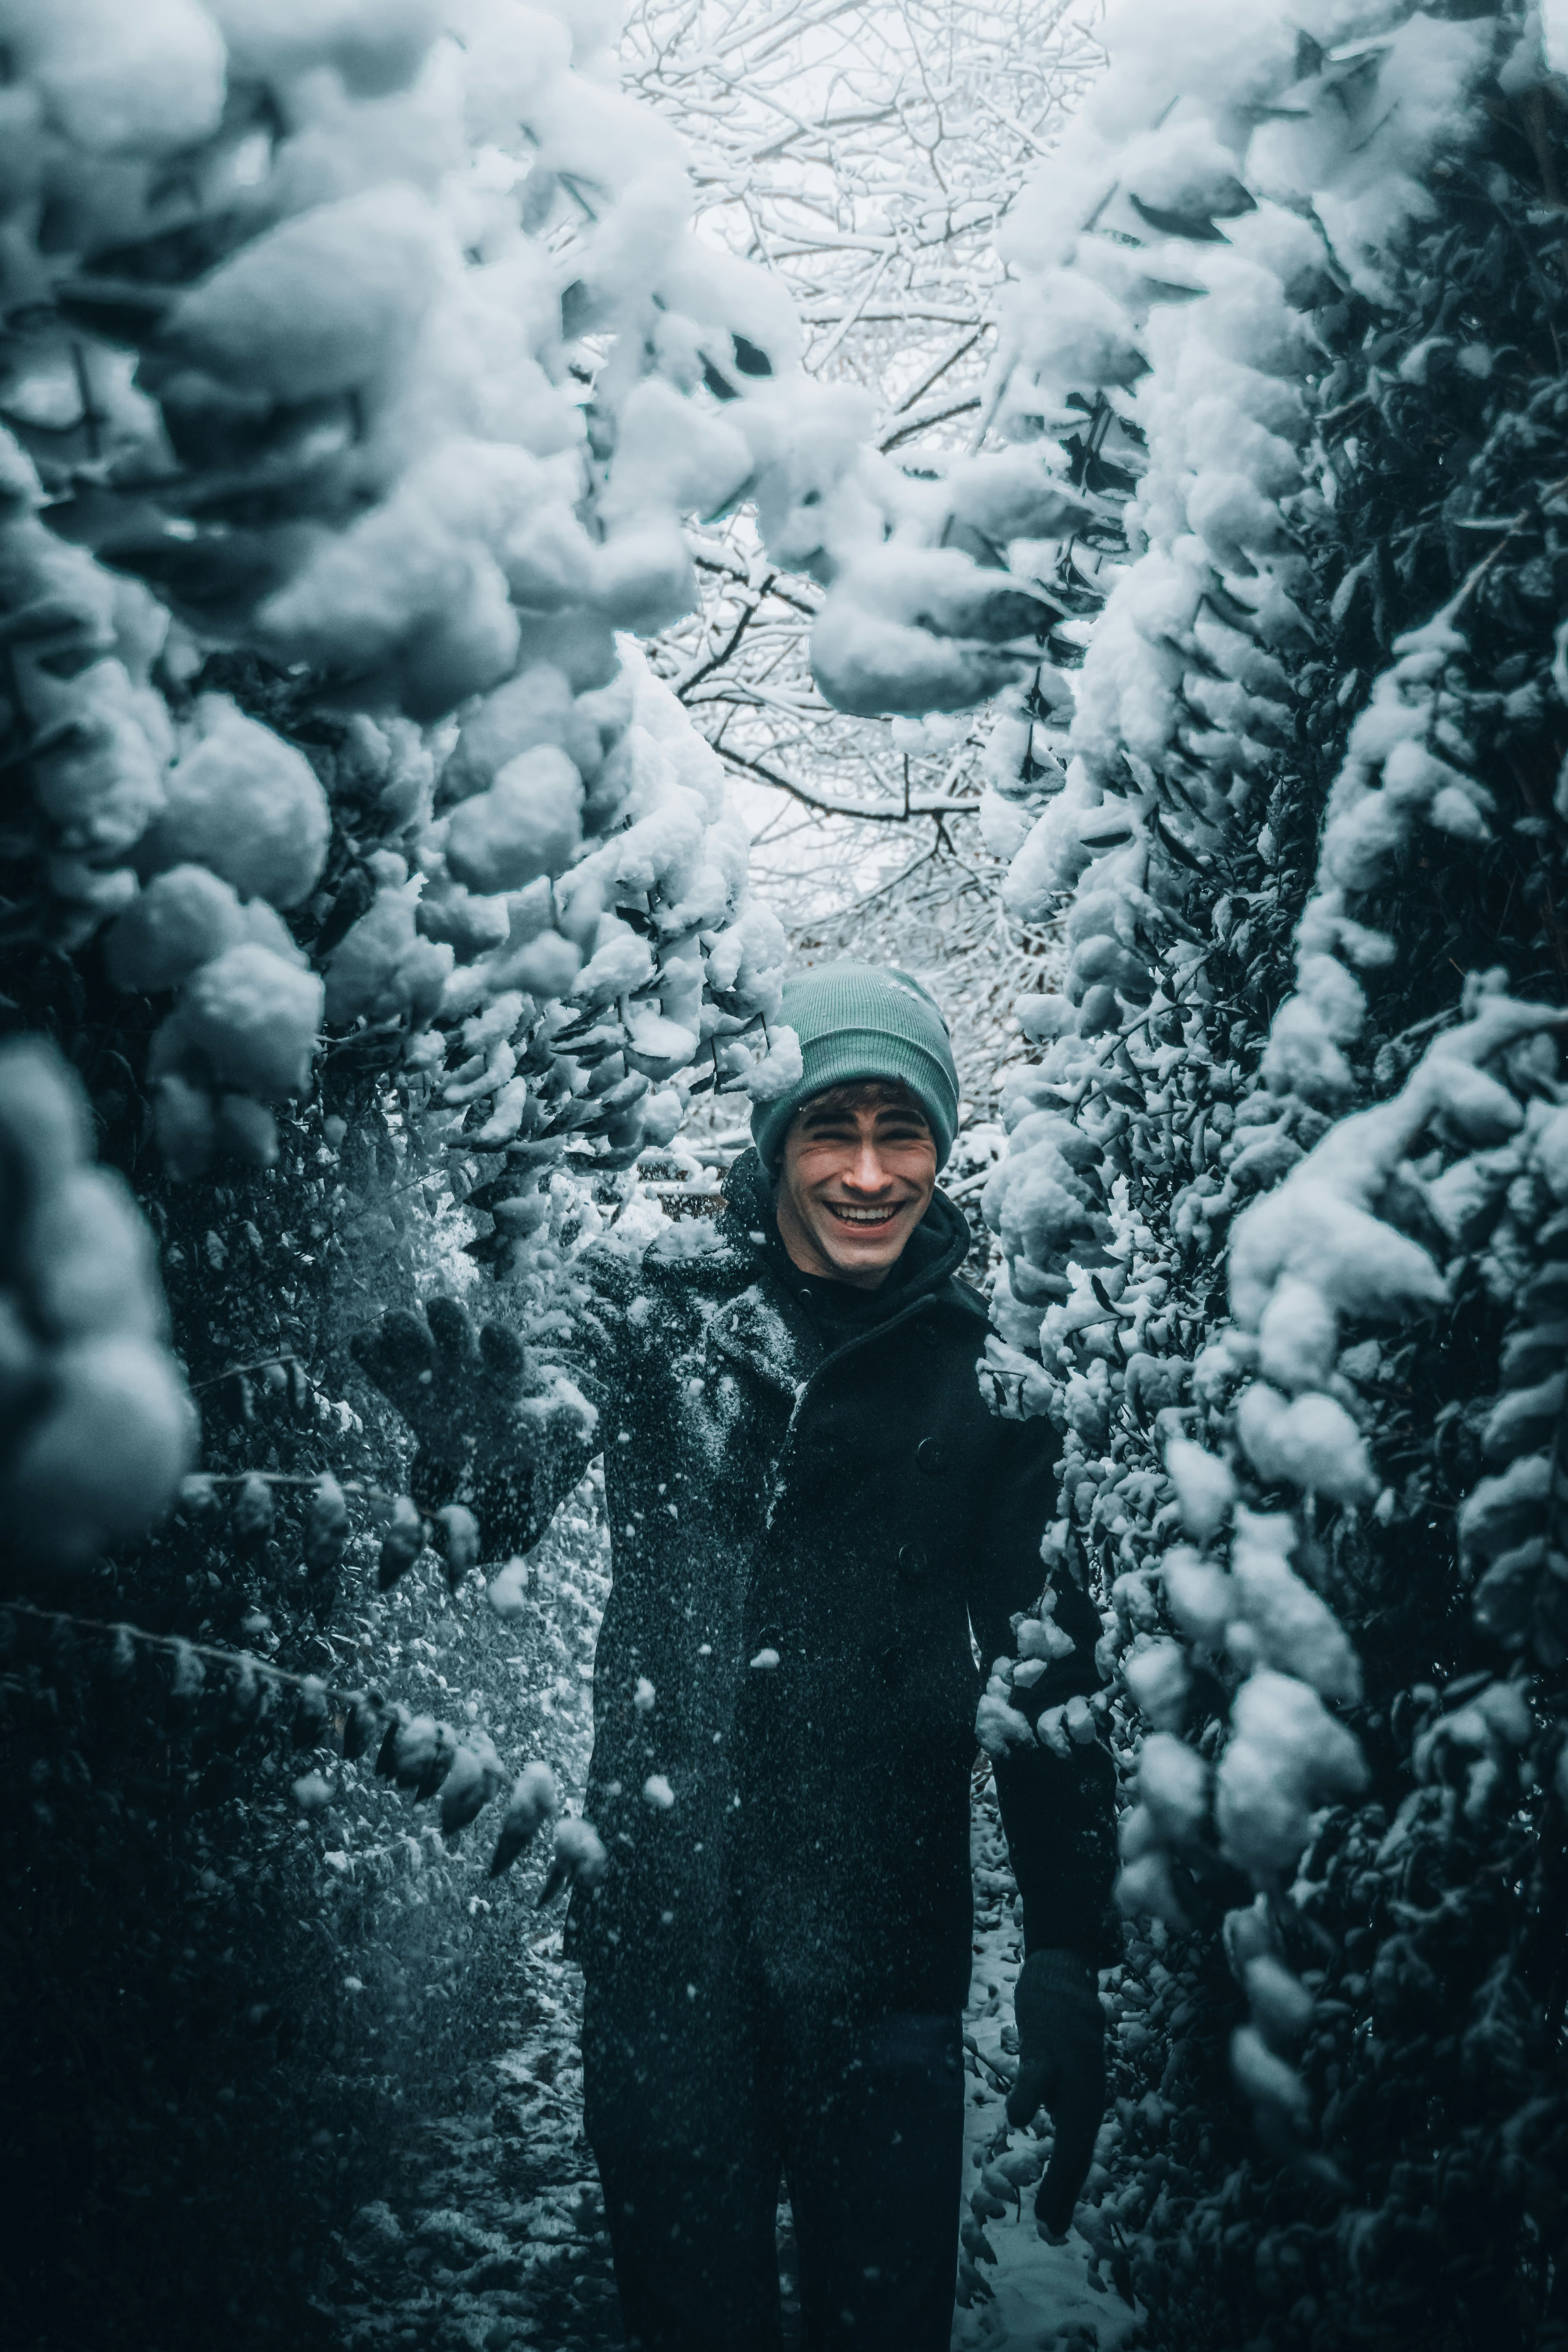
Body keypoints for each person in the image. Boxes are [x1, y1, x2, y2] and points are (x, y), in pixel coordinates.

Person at [352, 961, 1116, 2352]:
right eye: (833, 1129)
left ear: (942, 1149)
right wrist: (481, 1450)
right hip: (667, 1938)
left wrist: (1067, 1948)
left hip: (885, 1948)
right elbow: (539, 1438)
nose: (870, 1173)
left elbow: (1044, 1676)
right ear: (774, 1144)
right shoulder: (650, 1309)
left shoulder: (991, 1382)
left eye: (903, 1132)